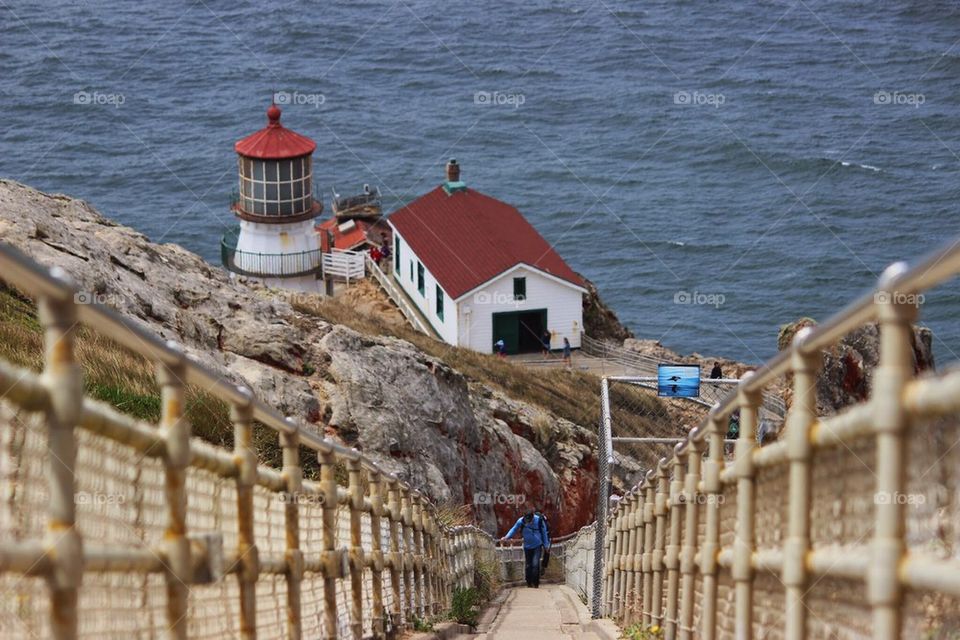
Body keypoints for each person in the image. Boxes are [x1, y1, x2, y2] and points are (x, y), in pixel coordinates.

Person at [501, 509, 551, 588]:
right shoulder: (521, 521)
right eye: (527, 520)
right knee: (528, 565)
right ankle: (529, 583)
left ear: (533, 517)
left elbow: (544, 534)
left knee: (535, 564)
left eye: (530, 520)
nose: (529, 522)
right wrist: (506, 537)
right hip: (527, 546)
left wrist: (546, 545)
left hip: (537, 545)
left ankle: (536, 583)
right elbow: (514, 529)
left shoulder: (539, 521)